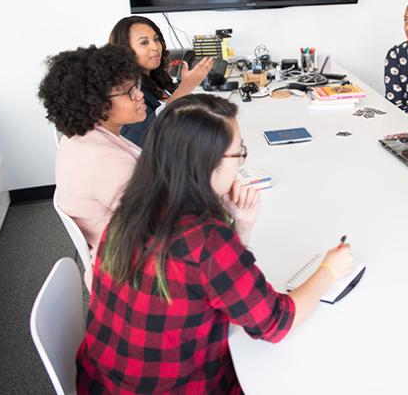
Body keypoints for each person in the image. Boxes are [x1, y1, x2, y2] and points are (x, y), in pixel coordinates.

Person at [76, 94, 354, 393]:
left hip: (104, 382)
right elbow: (276, 323)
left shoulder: (132, 209)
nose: (242, 162)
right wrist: (329, 268)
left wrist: (241, 226)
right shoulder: (205, 240)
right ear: (207, 164)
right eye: (239, 153)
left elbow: (210, 284)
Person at [37, 45, 146, 284]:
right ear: (95, 104)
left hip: (116, 254)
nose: (140, 95)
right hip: (133, 274)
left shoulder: (80, 137)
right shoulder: (104, 161)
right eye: (129, 92)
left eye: (136, 86)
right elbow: (160, 225)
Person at [109, 16, 214, 147]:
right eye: (144, 43)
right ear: (124, 50)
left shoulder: (159, 79)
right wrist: (185, 88)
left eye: (156, 39)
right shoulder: (125, 93)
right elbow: (149, 136)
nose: (155, 47)